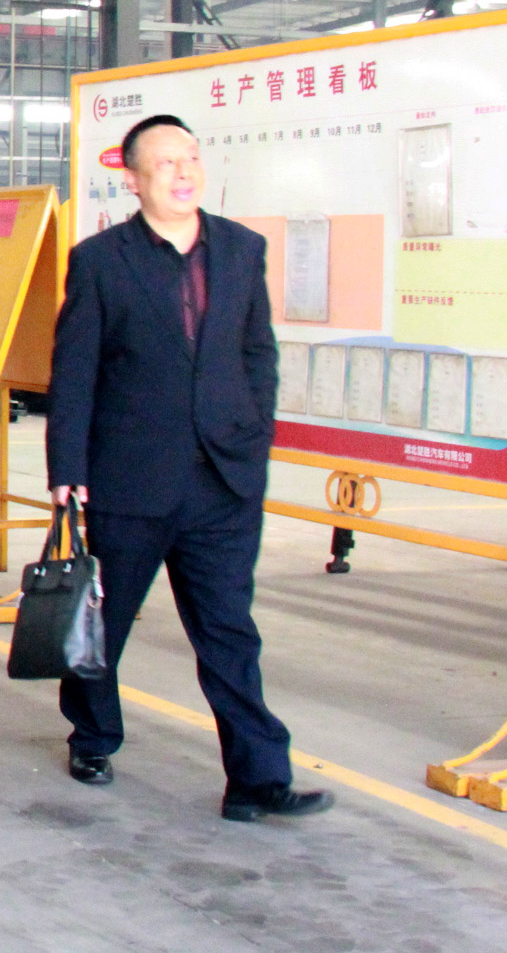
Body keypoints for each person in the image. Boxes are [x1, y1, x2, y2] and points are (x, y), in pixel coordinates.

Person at [47, 113, 332, 823]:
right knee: (106, 621)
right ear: (134, 179)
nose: (183, 172)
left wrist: (254, 437)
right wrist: (67, 466)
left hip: (222, 480)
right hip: (130, 476)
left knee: (229, 629)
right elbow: (76, 370)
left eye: (192, 158)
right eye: (166, 161)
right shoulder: (100, 261)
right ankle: (93, 735)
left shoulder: (240, 249)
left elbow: (257, 352)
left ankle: (258, 778)